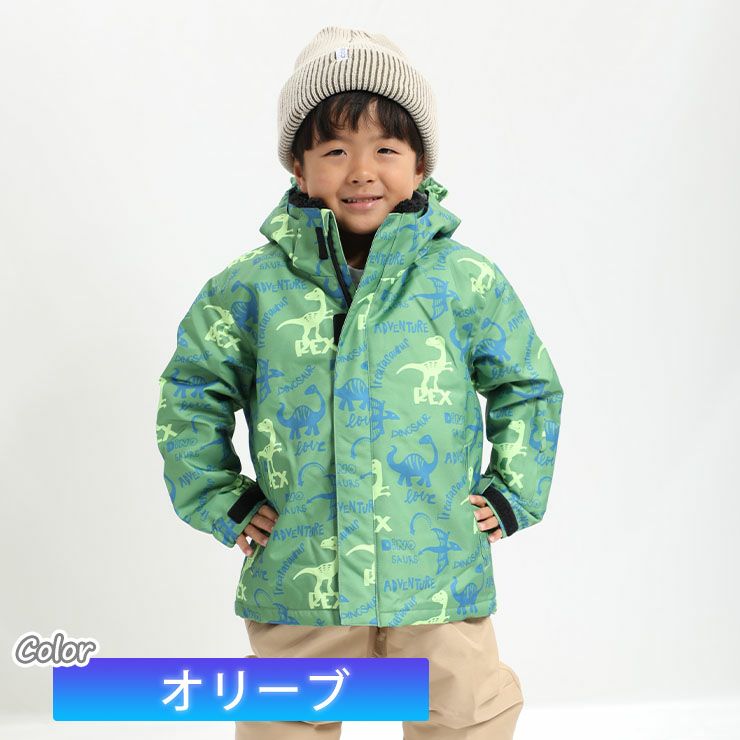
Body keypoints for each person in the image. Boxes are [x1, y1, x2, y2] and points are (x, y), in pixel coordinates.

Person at [155, 25, 565, 740]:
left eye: (386, 149)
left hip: (434, 570)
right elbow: (190, 395)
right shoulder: (249, 289)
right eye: (336, 151)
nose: (361, 171)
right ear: (298, 166)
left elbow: (528, 386)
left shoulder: (463, 280)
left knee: (464, 715)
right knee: (287, 721)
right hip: (301, 573)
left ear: (421, 163)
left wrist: (512, 492)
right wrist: (221, 499)